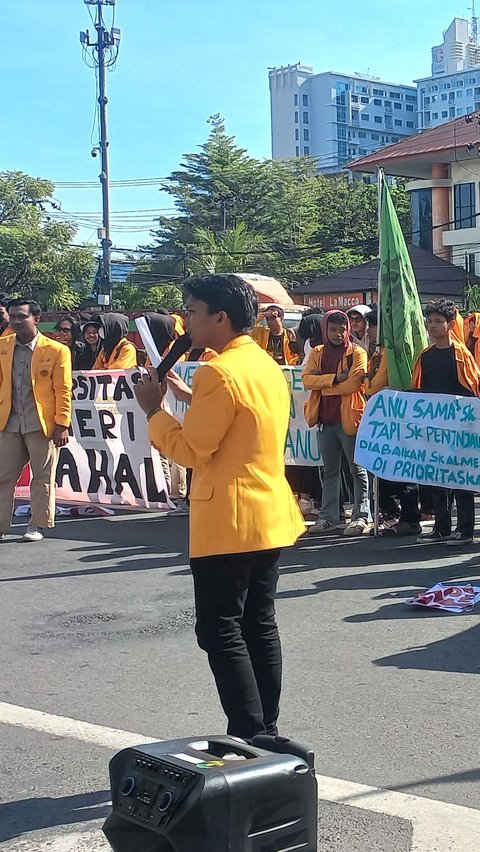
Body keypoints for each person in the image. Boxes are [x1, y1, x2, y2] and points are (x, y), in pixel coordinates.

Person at [134, 273, 305, 740]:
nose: (185, 320)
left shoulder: (218, 370)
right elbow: (237, 424)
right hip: (268, 510)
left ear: (220, 317)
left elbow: (192, 451)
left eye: (191, 310)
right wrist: (187, 397)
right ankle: (264, 727)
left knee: (219, 629)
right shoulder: (262, 364)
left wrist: (154, 410)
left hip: (228, 518)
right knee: (258, 624)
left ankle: (249, 731)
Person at [0, 298, 72, 542]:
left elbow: (63, 389)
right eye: (13, 316)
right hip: (8, 422)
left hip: (42, 423)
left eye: (22, 316)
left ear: (36, 319)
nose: (17, 321)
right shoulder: (2, 346)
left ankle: (37, 524)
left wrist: (62, 424)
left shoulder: (57, 350)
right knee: (3, 475)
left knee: (42, 476)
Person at [413, 299, 480, 545]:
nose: (432, 326)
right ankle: (441, 528)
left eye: (438, 322)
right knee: (436, 478)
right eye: (429, 321)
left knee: (462, 479)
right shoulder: (425, 356)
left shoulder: (462, 355)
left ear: (451, 324)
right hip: (434, 429)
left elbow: (473, 391)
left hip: (461, 428)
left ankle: (464, 531)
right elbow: (419, 391)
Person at [302, 310, 371, 536]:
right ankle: (328, 517)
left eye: (342, 329)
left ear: (348, 330)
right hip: (324, 419)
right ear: (325, 330)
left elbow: (353, 385)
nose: (338, 334)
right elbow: (306, 380)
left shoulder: (357, 352)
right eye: (333, 329)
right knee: (330, 471)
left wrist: (323, 385)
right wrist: (333, 378)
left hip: (350, 418)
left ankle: (361, 516)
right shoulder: (317, 352)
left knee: (356, 469)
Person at [364, 307, 421, 537]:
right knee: (384, 468)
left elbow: (373, 385)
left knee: (403, 469)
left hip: (397, 416)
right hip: (384, 418)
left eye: (373, 327)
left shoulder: (391, 354)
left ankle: (410, 517)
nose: (369, 332)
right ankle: (392, 514)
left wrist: (368, 383)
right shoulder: (378, 353)